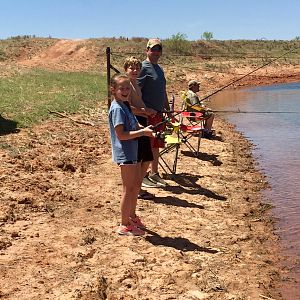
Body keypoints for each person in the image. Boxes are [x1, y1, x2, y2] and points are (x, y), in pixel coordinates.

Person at [108, 73, 155, 236]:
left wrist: (145, 129)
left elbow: (133, 124)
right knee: (128, 189)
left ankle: (132, 216)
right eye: (122, 88)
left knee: (136, 186)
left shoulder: (126, 105)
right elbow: (121, 134)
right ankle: (124, 224)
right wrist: (142, 132)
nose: (126, 91)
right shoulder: (117, 108)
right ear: (113, 90)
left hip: (133, 151)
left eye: (128, 88)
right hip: (125, 153)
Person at [137, 38, 170, 188]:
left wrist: (167, 109)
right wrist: (143, 110)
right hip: (147, 114)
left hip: (159, 113)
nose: (156, 52)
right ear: (147, 50)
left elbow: (163, 90)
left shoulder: (159, 68)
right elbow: (136, 92)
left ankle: (154, 173)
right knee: (147, 145)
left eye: (159, 50)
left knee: (156, 144)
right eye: (153, 49)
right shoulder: (143, 67)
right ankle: (142, 175)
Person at [123, 56, 157, 199]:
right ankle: (137, 189)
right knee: (140, 158)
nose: (135, 70)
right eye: (131, 68)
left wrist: (148, 111)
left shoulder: (136, 83)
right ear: (126, 70)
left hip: (142, 120)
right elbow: (127, 107)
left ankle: (138, 186)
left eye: (137, 68)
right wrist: (145, 111)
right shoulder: (126, 85)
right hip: (134, 123)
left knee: (147, 158)